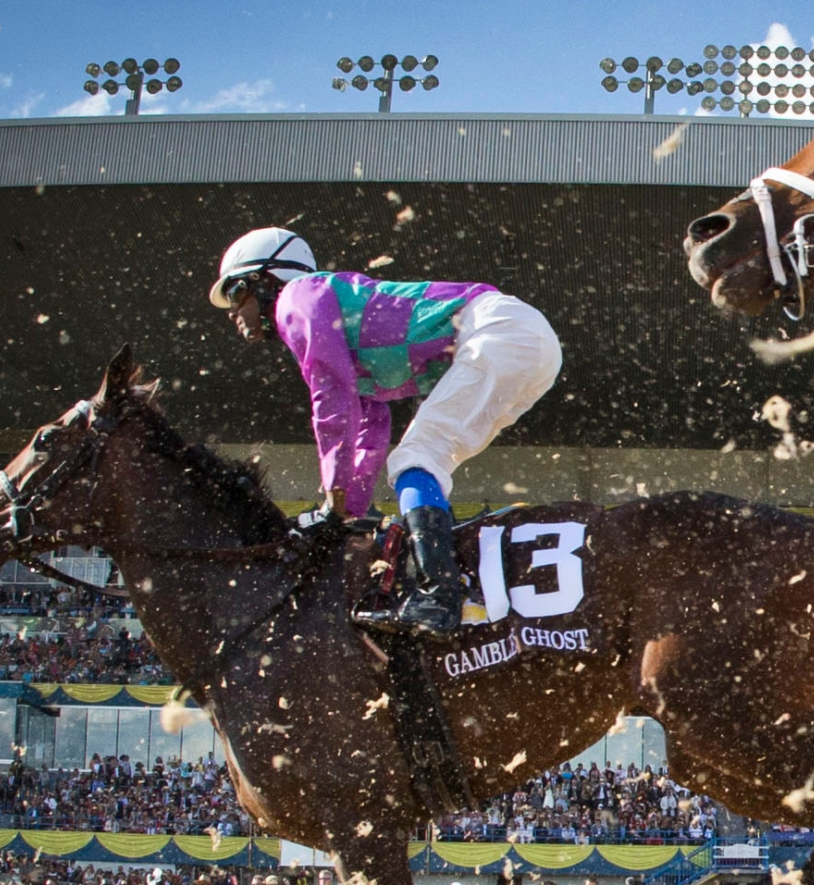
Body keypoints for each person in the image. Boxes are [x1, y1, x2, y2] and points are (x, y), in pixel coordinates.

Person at [209, 228, 564, 637]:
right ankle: (452, 581)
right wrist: (349, 510)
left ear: (267, 281)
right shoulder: (337, 324)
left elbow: (331, 399)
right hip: (531, 346)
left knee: (416, 460)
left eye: (236, 294)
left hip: (500, 330)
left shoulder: (298, 298)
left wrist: (333, 496)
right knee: (423, 460)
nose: (234, 313)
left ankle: (441, 594)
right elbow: (370, 431)